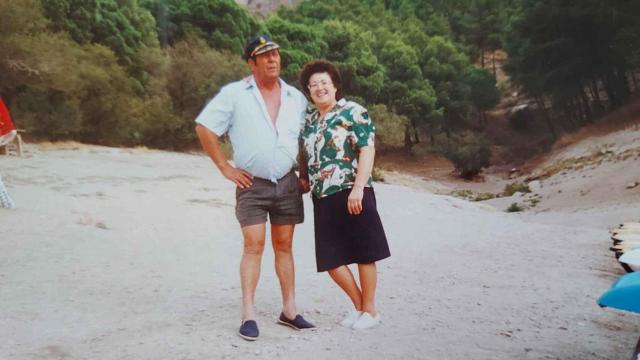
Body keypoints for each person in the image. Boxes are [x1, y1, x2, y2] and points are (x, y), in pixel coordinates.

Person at [194, 34, 315, 341]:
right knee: (254, 245)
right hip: (251, 184)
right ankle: (248, 314)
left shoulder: (295, 98)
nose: (273, 60)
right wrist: (225, 167)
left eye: (275, 54)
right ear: (252, 62)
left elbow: (301, 139)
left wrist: (303, 172)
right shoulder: (235, 94)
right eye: (265, 56)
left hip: (288, 183)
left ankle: (289, 310)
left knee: (285, 245)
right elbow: (204, 127)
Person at [298, 60, 391, 330]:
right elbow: (304, 154)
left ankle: (370, 310)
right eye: (313, 85)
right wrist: (304, 178)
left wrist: (359, 188)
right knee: (331, 259)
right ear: (309, 90)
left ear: (335, 85)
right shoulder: (309, 122)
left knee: (364, 252)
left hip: (353, 190)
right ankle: (360, 307)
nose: (319, 88)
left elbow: (367, 149)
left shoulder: (353, 112)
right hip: (322, 195)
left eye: (324, 82)